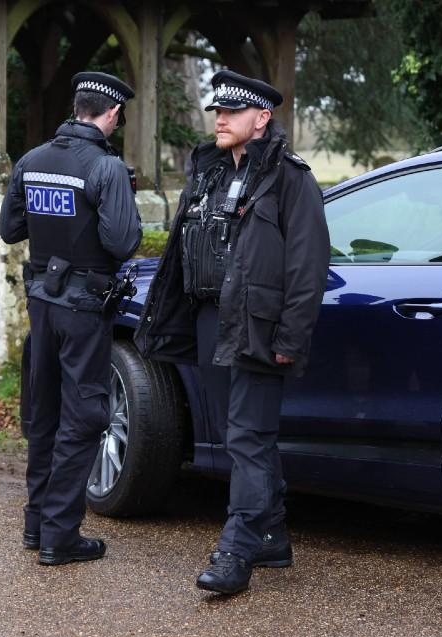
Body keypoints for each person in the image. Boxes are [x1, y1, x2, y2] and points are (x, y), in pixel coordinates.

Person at [134, 70, 330, 595]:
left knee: (247, 436)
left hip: (257, 326)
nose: (219, 118)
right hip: (207, 320)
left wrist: (291, 338)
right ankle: (271, 534)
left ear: (261, 118)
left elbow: (309, 267)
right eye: (216, 110)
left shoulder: (291, 179)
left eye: (232, 112)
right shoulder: (209, 172)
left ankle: (236, 549)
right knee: (237, 434)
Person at [0, 71, 141, 566]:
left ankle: (36, 527)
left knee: (44, 414)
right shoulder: (106, 169)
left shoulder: (33, 160)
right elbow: (123, 242)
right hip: (83, 308)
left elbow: (10, 228)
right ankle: (61, 535)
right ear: (112, 114)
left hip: (41, 302)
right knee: (83, 419)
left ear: (77, 107)